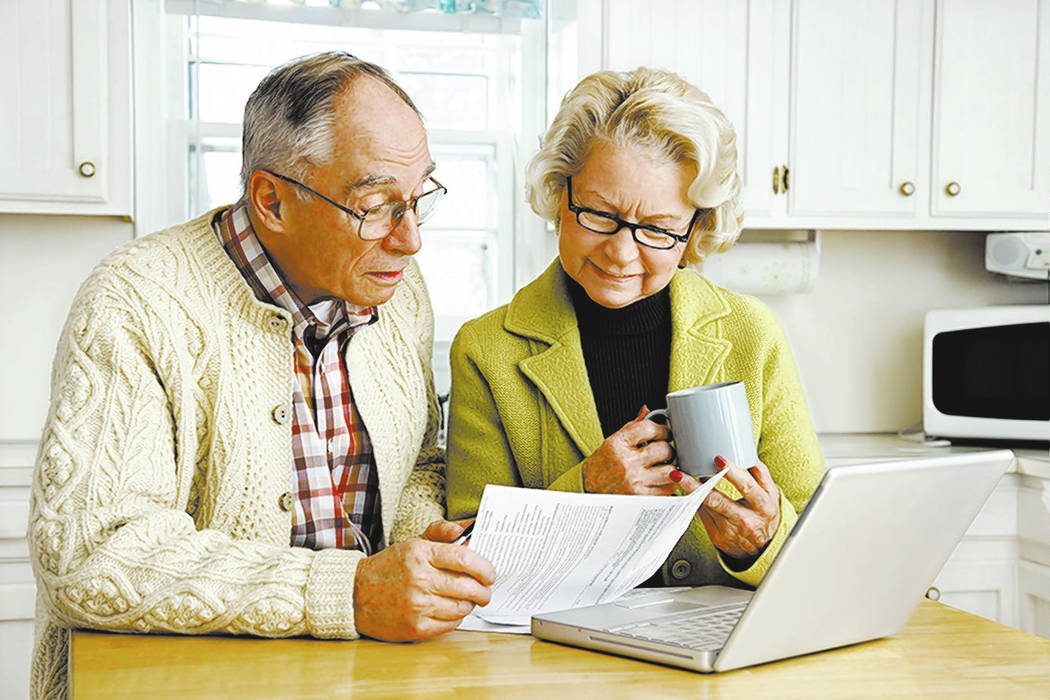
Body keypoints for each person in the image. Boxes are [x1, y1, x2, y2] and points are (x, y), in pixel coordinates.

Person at [28, 52, 495, 698]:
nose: (410, 239)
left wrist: (419, 546)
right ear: (271, 200)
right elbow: (89, 557)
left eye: (419, 199)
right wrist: (349, 593)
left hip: (362, 679)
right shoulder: (134, 301)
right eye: (376, 206)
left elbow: (417, 460)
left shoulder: (398, 291)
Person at [446, 67, 825, 591]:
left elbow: (818, 539)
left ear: (695, 230)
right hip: (558, 654)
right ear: (561, 194)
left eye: (657, 230)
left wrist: (760, 541)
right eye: (599, 215)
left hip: (717, 655)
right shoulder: (485, 350)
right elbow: (466, 553)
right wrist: (585, 492)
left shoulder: (750, 334)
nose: (621, 253)